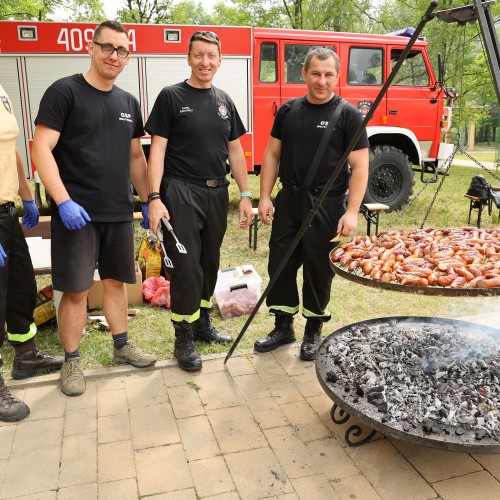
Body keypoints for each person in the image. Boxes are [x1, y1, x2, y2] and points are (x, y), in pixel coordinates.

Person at [31, 20, 156, 397]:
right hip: (76, 215)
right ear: (91, 46)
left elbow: (136, 156)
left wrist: (149, 198)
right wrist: (63, 201)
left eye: (121, 51)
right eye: (107, 47)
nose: (113, 56)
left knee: (116, 282)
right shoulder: (64, 92)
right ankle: (72, 361)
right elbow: (41, 149)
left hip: (118, 211)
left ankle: (122, 346)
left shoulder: (127, 102)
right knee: (76, 290)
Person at [146, 30, 253, 372]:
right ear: (189, 58)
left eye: (212, 56)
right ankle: (183, 337)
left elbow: (235, 151)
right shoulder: (171, 96)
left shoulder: (224, 101)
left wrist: (246, 195)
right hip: (181, 191)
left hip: (217, 192)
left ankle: (203, 322)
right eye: (199, 55)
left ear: (220, 60)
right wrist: (154, 197)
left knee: (209, 261)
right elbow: (157, 150)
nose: (205, 61)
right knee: (185, 266)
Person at [254, 47, 369, 361]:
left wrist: (352, 211)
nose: (322, 81)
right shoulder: (288, 111)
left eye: (328, 74)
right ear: (303, 74)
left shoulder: (348, 115)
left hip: (327, 204)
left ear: (337, 76)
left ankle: (314, 329)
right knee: (280, 263)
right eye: (315, 73)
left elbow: (360, 166)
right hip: (289, 199)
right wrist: (264, 196)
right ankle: (282, 326)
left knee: (319, 268)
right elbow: (272, 155)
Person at [0, 83, 64, 421]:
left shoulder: (2, 91)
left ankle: (25, 356)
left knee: (21, 289)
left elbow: (9, 149)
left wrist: (26, 195)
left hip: (6, 212)